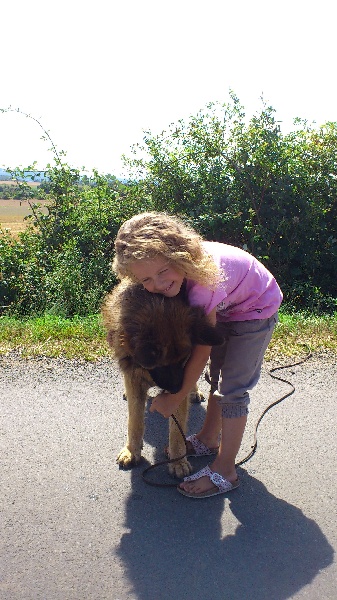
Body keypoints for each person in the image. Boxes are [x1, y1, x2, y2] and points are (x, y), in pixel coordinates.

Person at [113, 212, 283, 499]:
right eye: (146, 279)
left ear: (179, 257)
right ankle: (207, 437)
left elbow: (201, 350)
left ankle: (225, 469)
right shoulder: (178, 284)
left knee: (233, 390)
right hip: (226, 306)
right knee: (216, 379)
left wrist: (175, 397)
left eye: (163, 272)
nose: (158, 284)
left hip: (255, 310)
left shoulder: (203, 286)